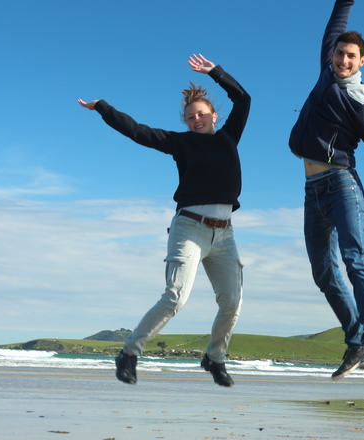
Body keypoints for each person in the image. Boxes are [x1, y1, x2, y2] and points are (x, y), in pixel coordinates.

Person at [77, 54, 250, 387]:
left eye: (202, 114)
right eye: (190, 117)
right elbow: (137, 132)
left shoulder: (229, 137)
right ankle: (129, 353)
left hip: (225, 235)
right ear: (185, 122)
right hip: (189, 228)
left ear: (214, 115)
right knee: (175, 297)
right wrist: (102, 107)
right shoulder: (180, 143)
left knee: (232, 301)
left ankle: (214, 357)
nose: (197, 120)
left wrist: (215, 72)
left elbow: (243, 98)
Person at [289, 0, 364, 380]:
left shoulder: (360, 101)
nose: (343, 60)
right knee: (322, 272)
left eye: (351, 56)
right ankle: (355, 339)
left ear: (361, 61)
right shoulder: (326, 73)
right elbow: (332, 28)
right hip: (312, 189)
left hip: (342, 185)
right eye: (340, 53)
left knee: (354, 259)